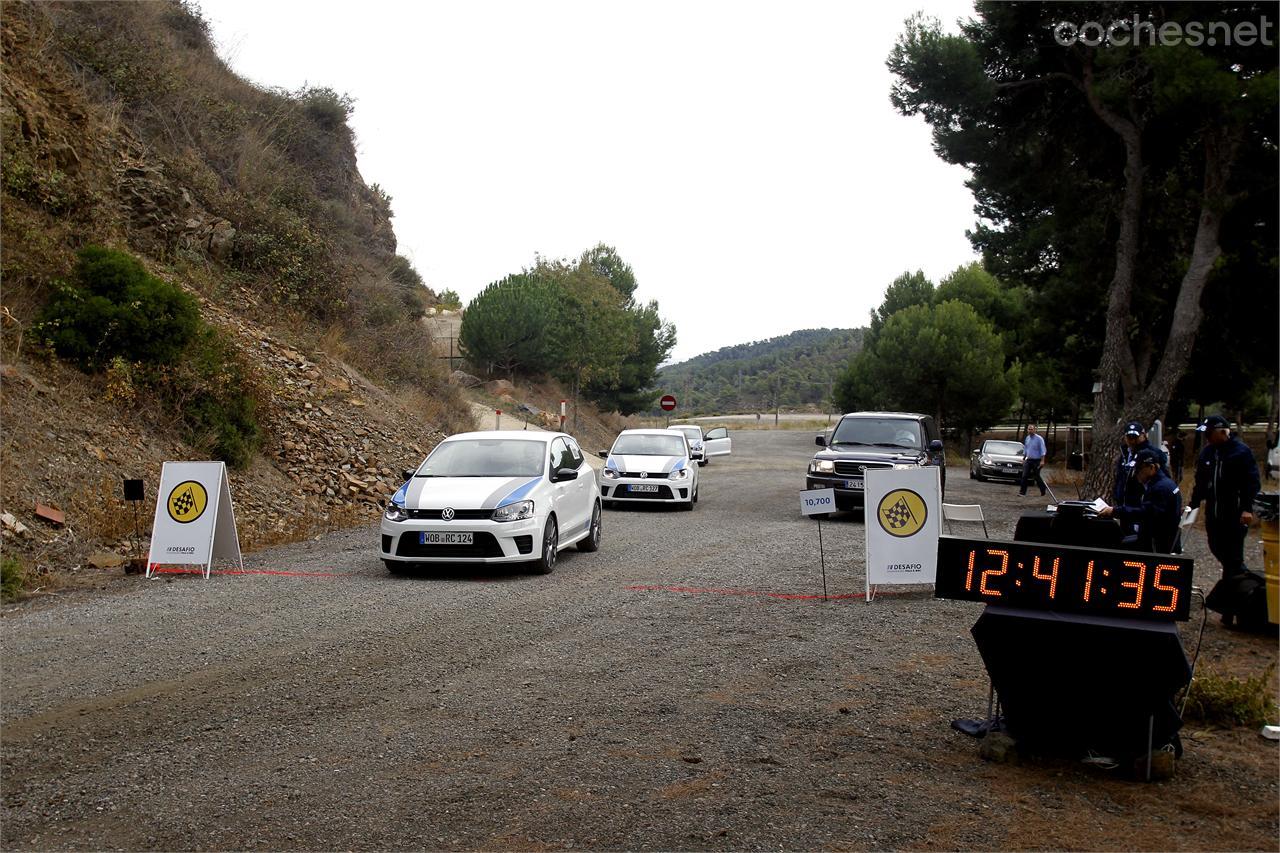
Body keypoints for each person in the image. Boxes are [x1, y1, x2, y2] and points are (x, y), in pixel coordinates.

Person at [1189, 414, 1260, 584]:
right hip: (1213, 512)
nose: (1206, 438)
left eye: (1209, 433)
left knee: (1233, 555)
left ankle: (1233, 596)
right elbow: (1201, 481)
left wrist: (1247, 508)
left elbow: (1251, 483)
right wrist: (1194, 503)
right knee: (1216, 547)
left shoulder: (1241, 452)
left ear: (1222, 432)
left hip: (1234, 512)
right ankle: (1241, 577)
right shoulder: (1208, 452)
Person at [1099, 448, 1183, 553]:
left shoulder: (1159, 489)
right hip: (1165, 537)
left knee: (1111, 545)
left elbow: (1145, 514)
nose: (1135, 473)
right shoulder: (1166, 483)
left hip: (1158, 542)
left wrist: (1115, 511)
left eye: (1138, 469)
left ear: (1152, 467)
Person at [1019, 423, 1046, 497]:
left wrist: (1042, 460)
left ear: (1035, 430)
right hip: (1029, 460)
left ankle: (1043, 489)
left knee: (1036, 476)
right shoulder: (1027, 438)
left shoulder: (1039, 439)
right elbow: (1026, 449)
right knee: (1024, 476)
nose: (1030, 431)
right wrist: (1024, 459)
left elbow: (1043, 450)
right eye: (1029, 429)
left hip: (1037, 460)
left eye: (1031, 429)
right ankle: (1022, 492)